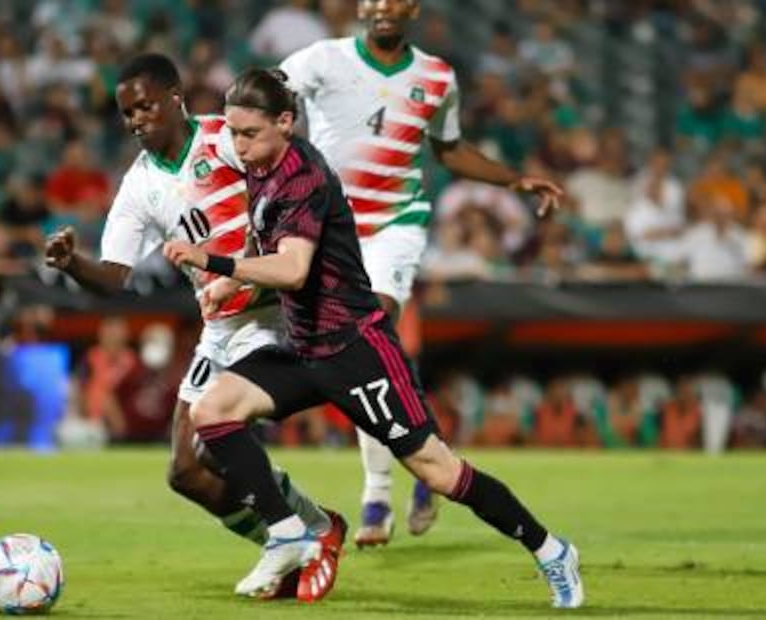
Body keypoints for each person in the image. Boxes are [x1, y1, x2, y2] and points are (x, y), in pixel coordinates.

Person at [163, 68, 583, 608]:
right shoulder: (262, 167)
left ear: (286, 123)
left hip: (355, 348)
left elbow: (293, 270)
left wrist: (212, 261)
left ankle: (550, 550)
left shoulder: (302, 176)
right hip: (304, 345)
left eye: (249, 134)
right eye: (234, 133)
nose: (237, 145)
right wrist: (227, 283)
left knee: (438, 469)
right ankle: (289, 531)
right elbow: (271, 250)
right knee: (213, 410)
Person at [43, 54, 345, 601]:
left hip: (272, 312)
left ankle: (295, 535)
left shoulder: (223, 139)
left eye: (145, 105)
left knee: (214, 438)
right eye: (127, 112)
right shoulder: (138, 186)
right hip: (219, 326)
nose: (136, 119)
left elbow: (287, 183)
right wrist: (71, 264)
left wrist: (264, 253)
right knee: (185, 472)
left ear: (176, 97)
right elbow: (114, 277)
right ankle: (312, 528)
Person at [280, 0, 564, 545]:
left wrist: (513, 181)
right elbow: (263, 96)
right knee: (361, 355)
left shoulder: (435, 76)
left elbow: (450, 151)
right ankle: (426, 458)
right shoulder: (321, 59)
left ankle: (376, 496)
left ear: (412, 7)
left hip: (394, 226)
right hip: (328, 227)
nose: (382, 6)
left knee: (366, 332)